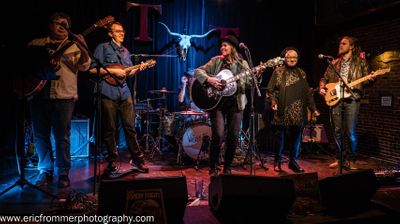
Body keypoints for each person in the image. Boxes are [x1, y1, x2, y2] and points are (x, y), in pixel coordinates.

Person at [29, 12, 91, 187]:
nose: (62, 27)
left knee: (62, 136)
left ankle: (63, 172)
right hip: (38, 96)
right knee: (40, 135)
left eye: (65, 24)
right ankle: (45, 171)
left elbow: (85, 66)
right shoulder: (36, 44)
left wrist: (83, 46)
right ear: (50, 25)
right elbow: (26, 67)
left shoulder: (74, 46)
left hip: (64, 96)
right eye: (58, 23)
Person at [195, 35, 261, 177]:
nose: (222, 48)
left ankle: (227, 167)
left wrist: (257, 75)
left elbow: (250, 84)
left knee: (233, 137)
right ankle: (213, 167)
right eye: (222, 45)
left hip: (236, 105)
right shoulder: (216, 61)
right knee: (218, 135)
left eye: (225, 45)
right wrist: (210, 79)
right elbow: (198, 71)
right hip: (216, 104)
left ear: (233, 48)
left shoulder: (242, 64)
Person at [88, 21, 148, 173]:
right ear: (110, 34)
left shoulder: (126, 51)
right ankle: (111, 161)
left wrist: (138, 69)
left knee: (130, 127)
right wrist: (113, 72)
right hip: (107, 91)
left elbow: (127, 73)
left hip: (124, 91)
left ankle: (138, 159)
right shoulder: (103, 48)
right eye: (118, 31)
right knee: (110, 129)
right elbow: (92, 70)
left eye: (123, 31)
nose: (122, 34)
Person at [319, 36, 370, 169]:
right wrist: (322, 87)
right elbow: (324, 78)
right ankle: (339, 158)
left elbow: (368, 79)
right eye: (340, 43)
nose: (340, 45)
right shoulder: (334, 63)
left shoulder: (361, 62)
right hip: (336, 99)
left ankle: (352, 159)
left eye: (344, 43)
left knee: (351, 132)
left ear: (351, 46)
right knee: (337, 131)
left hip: (352, 99)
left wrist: (371, 78)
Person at [267, 47, 319, 173]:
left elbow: (307, 93)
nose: (292, 59)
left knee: (296, 139)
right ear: (284, 58)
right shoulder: (278, 72)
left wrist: (313, 108)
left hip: (298, 110)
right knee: (281, 138)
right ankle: (278, 162)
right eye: (289, 57)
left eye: (294, 57)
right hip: (282, 110)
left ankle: (293, 162)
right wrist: (273, 101)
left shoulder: (301, 73)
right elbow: (270, 90)